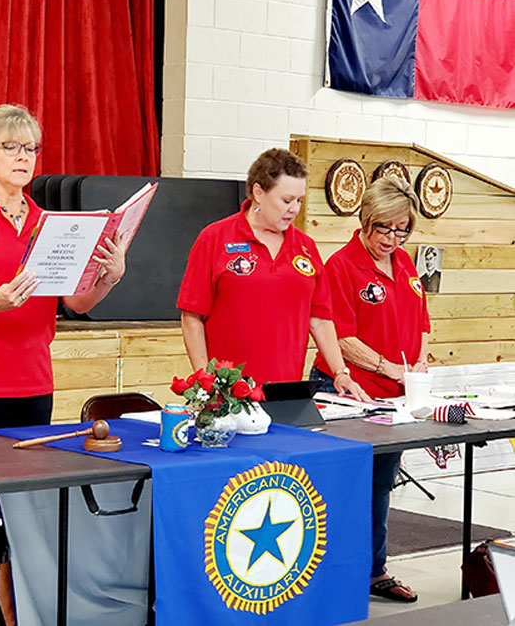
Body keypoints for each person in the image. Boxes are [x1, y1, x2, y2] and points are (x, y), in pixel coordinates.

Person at [0, 103, 126, 626]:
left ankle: (20, 609)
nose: (22, 157)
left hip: (33, 379)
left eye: (30, 148)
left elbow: (77, 304)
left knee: (25, 506)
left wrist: (110, 275)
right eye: (10, 147)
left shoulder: (49, 222)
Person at [311, 175, 430, 604]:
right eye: (384, 228)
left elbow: (421, 322)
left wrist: (417, 364)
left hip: (393, 395)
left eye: (402, 230)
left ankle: (373, 571)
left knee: (381, 483)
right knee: (345, 484)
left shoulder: (406, 265)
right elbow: (339, 336)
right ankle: (330, 571)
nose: (393, 238)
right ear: (366, 220)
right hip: (347, 389)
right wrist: (388, 368)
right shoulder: (342, 266)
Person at [177, 147, 368, 399]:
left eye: (299, 201)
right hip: (227, 393)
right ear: (258, 192)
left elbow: (320, 319)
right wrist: (204, 378)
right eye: (286, 200)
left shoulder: (305, 247)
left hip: (284, 391)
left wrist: (340, 372)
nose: (294, 209)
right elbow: (192, 315)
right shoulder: (214, 238)